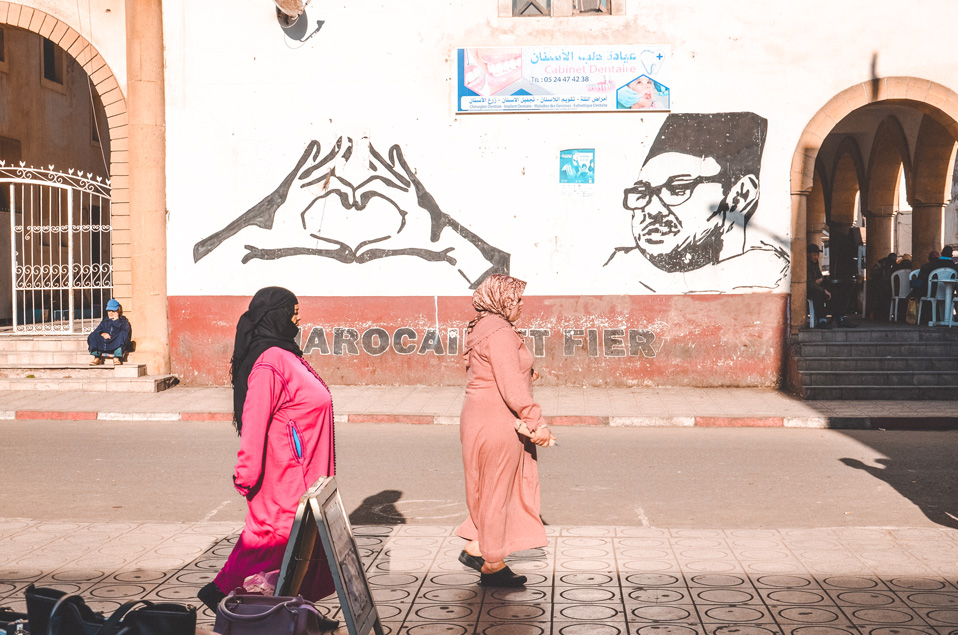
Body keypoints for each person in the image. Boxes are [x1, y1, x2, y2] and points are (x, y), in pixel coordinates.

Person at [198, 287, 338, 631]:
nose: (298, 317)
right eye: (292, 311)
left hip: (305, 477)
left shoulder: (288, 355)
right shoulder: (269, 363)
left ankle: (291, 611)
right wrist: (246, 475)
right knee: (271, 547)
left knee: (296, 549)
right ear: (274, 316)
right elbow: (254, 425)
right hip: (284, 479)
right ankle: (238, 603)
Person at [604, 112, 789, 293]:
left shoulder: (769, 276)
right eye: (641, 194)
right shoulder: (621, 273)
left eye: (677, 188)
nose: (651, 210)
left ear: (740, 197)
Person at [455, 274, 555, 588]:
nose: (522, 305)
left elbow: (496, 370)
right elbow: (511, 387)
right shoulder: (499, 333)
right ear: (503, 300)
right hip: (497, 420)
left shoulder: (482, 326)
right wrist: (537, 421)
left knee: (490, 489)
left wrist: (526, 370)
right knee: (499, 490)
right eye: (518, 299)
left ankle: (487, 557)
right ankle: (487, 554)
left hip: (479, 416)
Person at [87, 299, 131, 365]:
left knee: (122, 335)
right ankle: (97, 357)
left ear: (118, 310)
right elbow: (97, 330)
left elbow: (125, 332)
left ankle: (116, 357)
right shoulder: (105, 321)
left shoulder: (123, 321)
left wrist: (116, 321)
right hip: (105, 342)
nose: (111, 313)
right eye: (109, 311)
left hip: (115, 342)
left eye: (113, 311)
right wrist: (103, 333)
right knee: (93, 335)